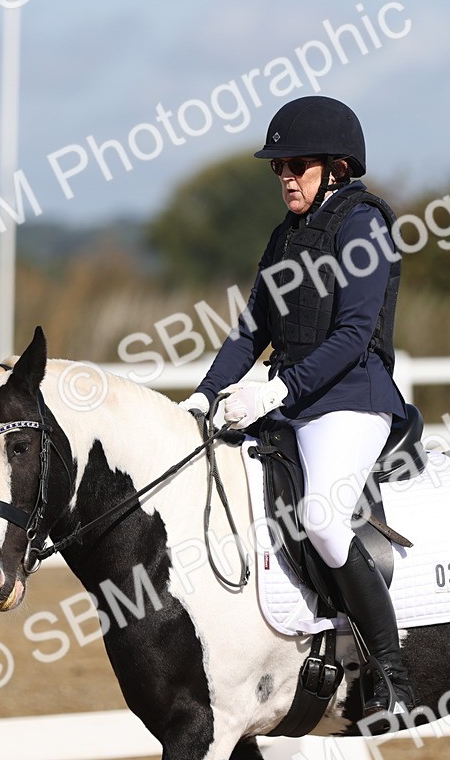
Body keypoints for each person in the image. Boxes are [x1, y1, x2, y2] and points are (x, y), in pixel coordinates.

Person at [178, 95, 419, 718]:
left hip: (349, 400)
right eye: (278, 168)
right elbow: (250, 331)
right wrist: (205, 397)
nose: (284, 177)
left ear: (337, 166)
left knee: (320, 517)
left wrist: (278, 390)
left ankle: (391, 673)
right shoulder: (286, 236)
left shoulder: (364, 226)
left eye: (297, 165)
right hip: (292, 402)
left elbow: (352, 333)